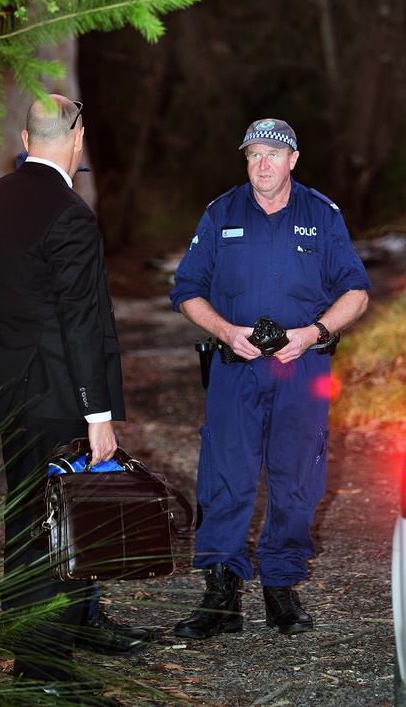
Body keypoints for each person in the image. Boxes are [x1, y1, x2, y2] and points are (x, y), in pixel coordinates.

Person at [0, 94, 149, 698]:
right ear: (76, 139)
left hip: (10, 380)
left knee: (51, 506)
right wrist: (98, 414)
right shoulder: (71, 215)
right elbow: (82, 321)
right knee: (46, 519)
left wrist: (3, 322)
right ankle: (42, 664)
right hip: (58, 392)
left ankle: (80, 620)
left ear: (29, 139)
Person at [170, 118, 370, 640]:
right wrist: (224, 329)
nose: (262, 164)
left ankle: (280, 586)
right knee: (225, 478)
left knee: (297, 477)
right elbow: (187, 288)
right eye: (254, 154)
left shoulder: (322, 216)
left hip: (302, 369)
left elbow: (357, 291)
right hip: (235, 367)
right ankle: (221, 593)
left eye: (273, 154)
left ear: (293, 160)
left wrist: (313, 331)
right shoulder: (221, 212)